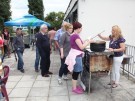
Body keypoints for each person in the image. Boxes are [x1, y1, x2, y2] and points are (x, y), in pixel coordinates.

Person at [66, 22, 93, 94]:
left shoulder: (73, 35)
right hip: (77, 56)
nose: (81, 29)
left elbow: (79, 44)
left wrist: (86, 40)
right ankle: (74, 88)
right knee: (76, 72)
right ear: (77, 28)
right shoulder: (75, 36)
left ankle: (74, 86)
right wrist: (89, 42)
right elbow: (81, 47)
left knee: (76, 71)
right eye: (81, 28)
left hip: (75, 55)